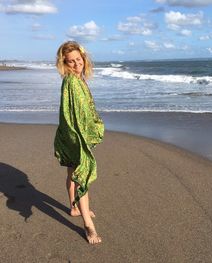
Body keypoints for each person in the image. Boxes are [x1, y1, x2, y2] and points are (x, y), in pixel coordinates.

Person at [54, 41, 104, 244]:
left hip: (69, 134)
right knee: (81, 176)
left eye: (78, 59)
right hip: (76, 136)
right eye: (71, 61)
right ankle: (88, 227)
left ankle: (74, 208)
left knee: (71, 173)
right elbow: (75, 114)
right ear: (64, 63)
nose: (76, 64)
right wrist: (87, 135)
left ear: (84, 58)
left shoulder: (76, 78)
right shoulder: (72, 82)